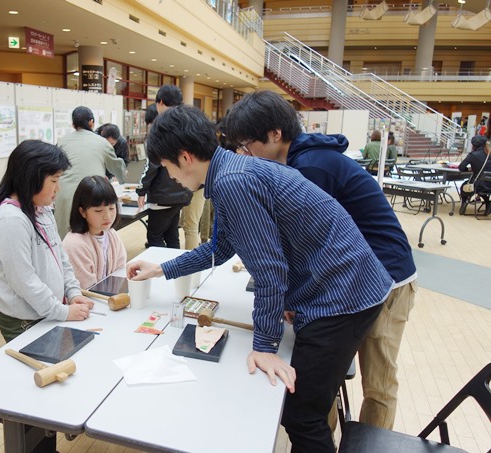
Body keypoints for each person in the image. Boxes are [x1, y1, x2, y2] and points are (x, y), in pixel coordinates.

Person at [127, 105, 392, 453]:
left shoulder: (232, 181)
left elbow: (270, 270)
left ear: (185, 156)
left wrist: (264, 346)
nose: (171, 177)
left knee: (302, 416)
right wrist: (161, 270)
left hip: (344, 296)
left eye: (167, 167)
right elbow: (220, 248)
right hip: (341, 287)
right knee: (303, 408)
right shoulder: (230, 172)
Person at [226, 90, 418, 431]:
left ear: (275, 135)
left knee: (378, 381)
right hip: (352, 279)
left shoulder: (312, 167)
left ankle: (371, 443)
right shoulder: (299, 162)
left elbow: (309, 244)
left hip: (386, 278)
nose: (245, 153)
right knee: (324, 378)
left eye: (247, 143)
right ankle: (322, 439)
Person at [0, 139, 93, 340]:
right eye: (54, 181)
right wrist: (62, 312)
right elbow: (25, 282)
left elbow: (61, 258)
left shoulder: (41, 209)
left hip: (47, 310)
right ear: (31, 178)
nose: (58, 189)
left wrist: (73, 293)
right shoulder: (11, 221)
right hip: (24, 320)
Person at [54, 106, 126, 238]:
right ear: (91, 122)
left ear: (73, 124)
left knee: (64, 237)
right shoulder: (101, 142)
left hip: (64, 194)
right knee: (90, 236)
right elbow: (116, 166)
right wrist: (122, 179)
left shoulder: (62, 141)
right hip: (91, 195)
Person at [136, 104, 192, 249]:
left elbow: (150, 168)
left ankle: (159, 270)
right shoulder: (179, 135)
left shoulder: (158, 138)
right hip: (180, 193)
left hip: (163, 197)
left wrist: (141, 191)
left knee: (155, 237)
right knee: (172, 236)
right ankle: (175, 270)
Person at [156, 84, 204, 249]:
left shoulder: (170, 125)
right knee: (184, 227)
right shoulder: (188, 117)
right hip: (194, 185)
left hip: (194, 186)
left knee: (190, 226)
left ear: (160, 102)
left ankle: (192, 271)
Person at [62, 175, 127, 289]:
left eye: (111, 208)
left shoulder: (111, 234)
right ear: (82, 212)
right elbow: (86, 289)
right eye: (98, 210)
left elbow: (120, 271)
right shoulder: (75, 244)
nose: (107, 216)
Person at [459, 134, 491, 216]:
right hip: (489, 185)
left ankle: (464, 203)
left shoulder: (473, 155)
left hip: (478, 184)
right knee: (482, 189)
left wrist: (468, 169)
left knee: (464, 186)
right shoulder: (489, 154)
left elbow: (461, 167)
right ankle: (488, 204)